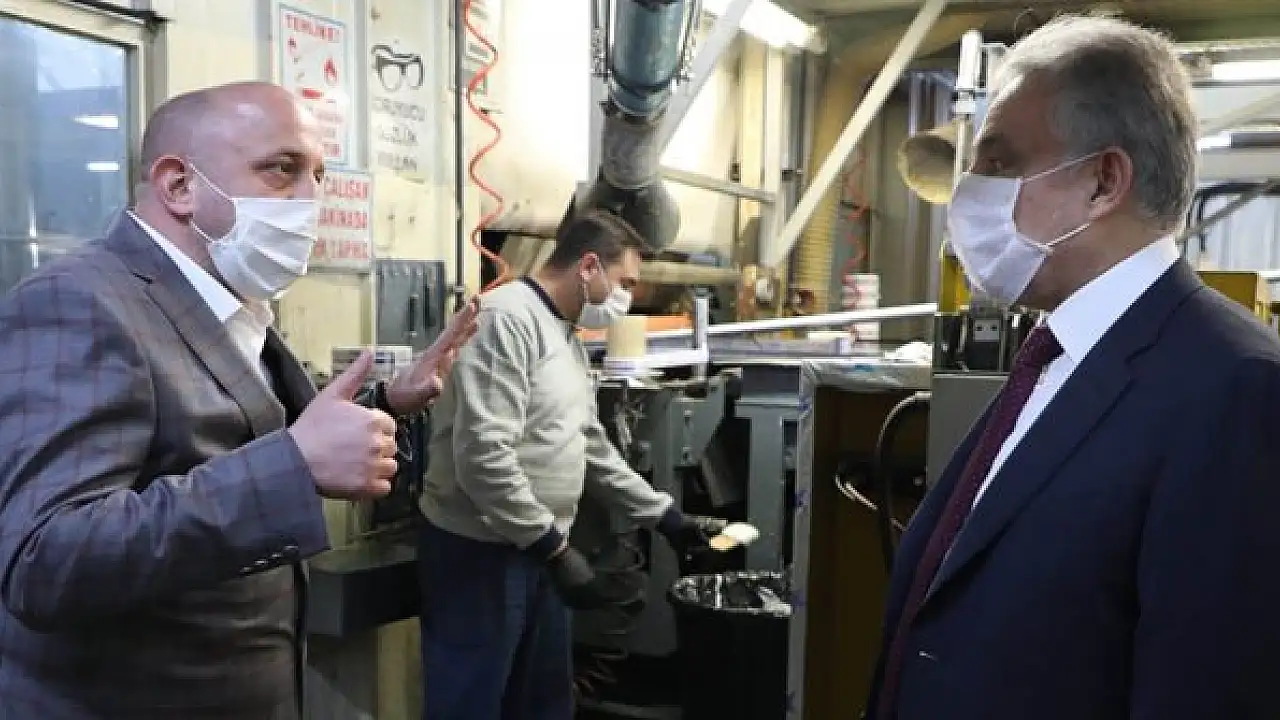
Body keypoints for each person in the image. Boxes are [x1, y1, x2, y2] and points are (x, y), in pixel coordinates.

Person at [0, 81, 478, 720]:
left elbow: (228, 436)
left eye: (318, 176)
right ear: (179, 186)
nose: (311, 201)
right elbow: (45, 562)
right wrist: (294, 467)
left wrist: (385, 402)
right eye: (282, 170)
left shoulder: (229, 302)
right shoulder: (79, 302)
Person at [867, 15, 1280, 720]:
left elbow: (1209, 689)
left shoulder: (1236, 391)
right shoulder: (1056, 356)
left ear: (1103, 181)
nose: (971, 192)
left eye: (1000, 163)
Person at [417, 209, 725, 719]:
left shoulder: (563, 333)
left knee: (543, 705)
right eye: (625, 282)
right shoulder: (505, 320)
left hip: (536, 549)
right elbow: (484, 457)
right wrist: (555, 549)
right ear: (588, 266)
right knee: (471, 704)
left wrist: (665, 517)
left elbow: (588, 443)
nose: (627, 297)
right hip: (481, 555)